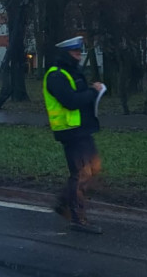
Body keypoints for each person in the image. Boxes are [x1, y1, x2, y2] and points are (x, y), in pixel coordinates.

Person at [43, 36, 105, 234]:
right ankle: (78, 219)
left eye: (79, 51)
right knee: (81, 174)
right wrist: (93, 93)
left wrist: (91, 91)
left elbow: (78, 96)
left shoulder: (73, 72)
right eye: (75, 51)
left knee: (93, 168)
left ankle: (64, 203)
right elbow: (70, 101)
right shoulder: (55, 75)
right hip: (69, 131)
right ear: (65, 54)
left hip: (83, 129)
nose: (79, 54)